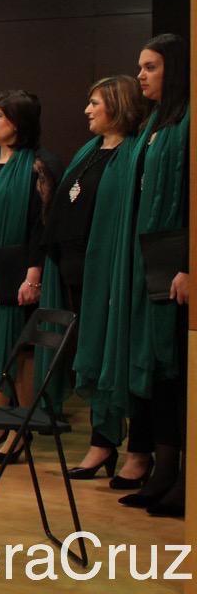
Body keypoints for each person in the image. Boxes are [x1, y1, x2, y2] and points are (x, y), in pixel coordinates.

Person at [35, 77, 146, 479]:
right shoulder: (89, 151)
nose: (87, 110)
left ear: (116, 105)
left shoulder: (134, 153)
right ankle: (102, 443)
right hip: (76, 275)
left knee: (113, 354)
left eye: (94, 102)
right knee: (92, 355)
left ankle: (131, 448)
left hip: (112, 276)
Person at [113, 34, 190, 517]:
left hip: (177, 267)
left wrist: (189, 264)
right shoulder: (155, 126)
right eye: (140, 66)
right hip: (149, 262)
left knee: (179, 373)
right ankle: (163, 472)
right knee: (161, 376)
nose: (140, 75)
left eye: (151, 66)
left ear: (176, 69)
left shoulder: (189, 121)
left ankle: (181, 477)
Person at [0, 90, 54, 463]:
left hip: (17, 271)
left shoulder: (36, 166)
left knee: (20, 350)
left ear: (17, 122)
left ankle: (20, 431)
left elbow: (42, 226)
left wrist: (33, 275)